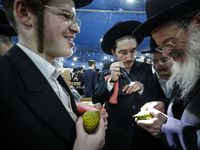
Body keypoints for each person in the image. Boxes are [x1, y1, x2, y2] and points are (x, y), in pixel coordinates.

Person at [0, 0, 108, 150]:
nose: (76, 28)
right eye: (66, 15)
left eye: (75, 20)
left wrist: (82, 122)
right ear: (25, 12)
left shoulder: (53, 75)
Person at [133, 0, 200, 149]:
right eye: (161, 47)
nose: (166, 53)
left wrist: (166, 128)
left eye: (170, 43)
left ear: (198, 22)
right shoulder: (190, 62)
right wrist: (165, 105)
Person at [92, 21, 161, 150]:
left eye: (133, 51)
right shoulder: (107, 68)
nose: (129, 57)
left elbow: (155, 98)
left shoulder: (145, 68)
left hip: (140, 132)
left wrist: (141, 88)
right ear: (114, 52)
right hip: (116, 133)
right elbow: (96, 98)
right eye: (123, 52)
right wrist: (111, 81)